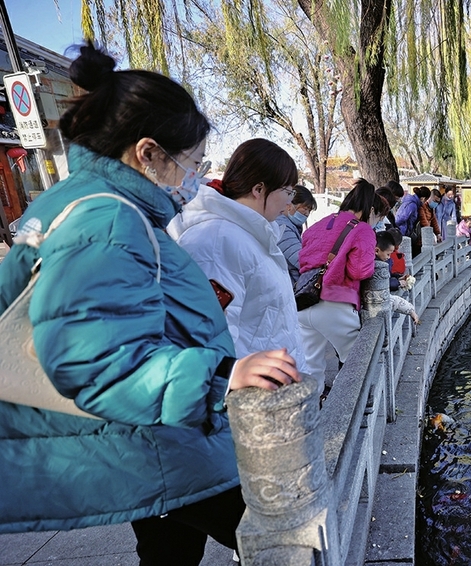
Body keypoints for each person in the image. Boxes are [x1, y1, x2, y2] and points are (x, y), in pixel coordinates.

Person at [0, 43, 298, 564]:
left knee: (169, 552)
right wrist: (223, 377)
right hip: (156, 434)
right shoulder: (108, 220)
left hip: (152, 431)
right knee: (289, 534)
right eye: (191, 162)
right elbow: (93, 360)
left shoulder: (87, 202)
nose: (194, 176)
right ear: (147, 153)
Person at [168, 138, 306, 371]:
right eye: (288, 191)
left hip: (275, 388)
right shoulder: (216, 241)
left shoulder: (253, 235)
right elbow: (209, 341)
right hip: (253, 396)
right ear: (259, 189)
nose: (289, 201)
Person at [298, 179, 390, 383]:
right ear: (372, 210)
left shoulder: (319, 224)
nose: (377, 222)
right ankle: (349, 414)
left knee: (310, 368)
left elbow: (303, 258)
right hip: (335, 305)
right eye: (379, 217)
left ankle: (311, 412)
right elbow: (360, 271)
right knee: (358, 366)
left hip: (304, 302)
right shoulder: (363, 229)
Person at [276, 185, 318, 285]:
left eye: (309, 210)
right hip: (287, 284)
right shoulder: (283, 228)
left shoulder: (290, 226)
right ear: (289, 204)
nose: (307, 213)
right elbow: (300, 260)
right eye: (305, 208)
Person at [375, 231, 420, 325]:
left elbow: (389, 276)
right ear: (376, 250)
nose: (389, 257)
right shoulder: (376, 267)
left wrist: (398, 278)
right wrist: (398, 283)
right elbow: (387, 284)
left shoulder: (382, 262)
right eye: (388, 254)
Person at [395, 185, 424, 256]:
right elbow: (402, 218)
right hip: (403, 231)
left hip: (405, 231)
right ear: (423, 198)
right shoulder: (412, 205)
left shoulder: (411, 202)